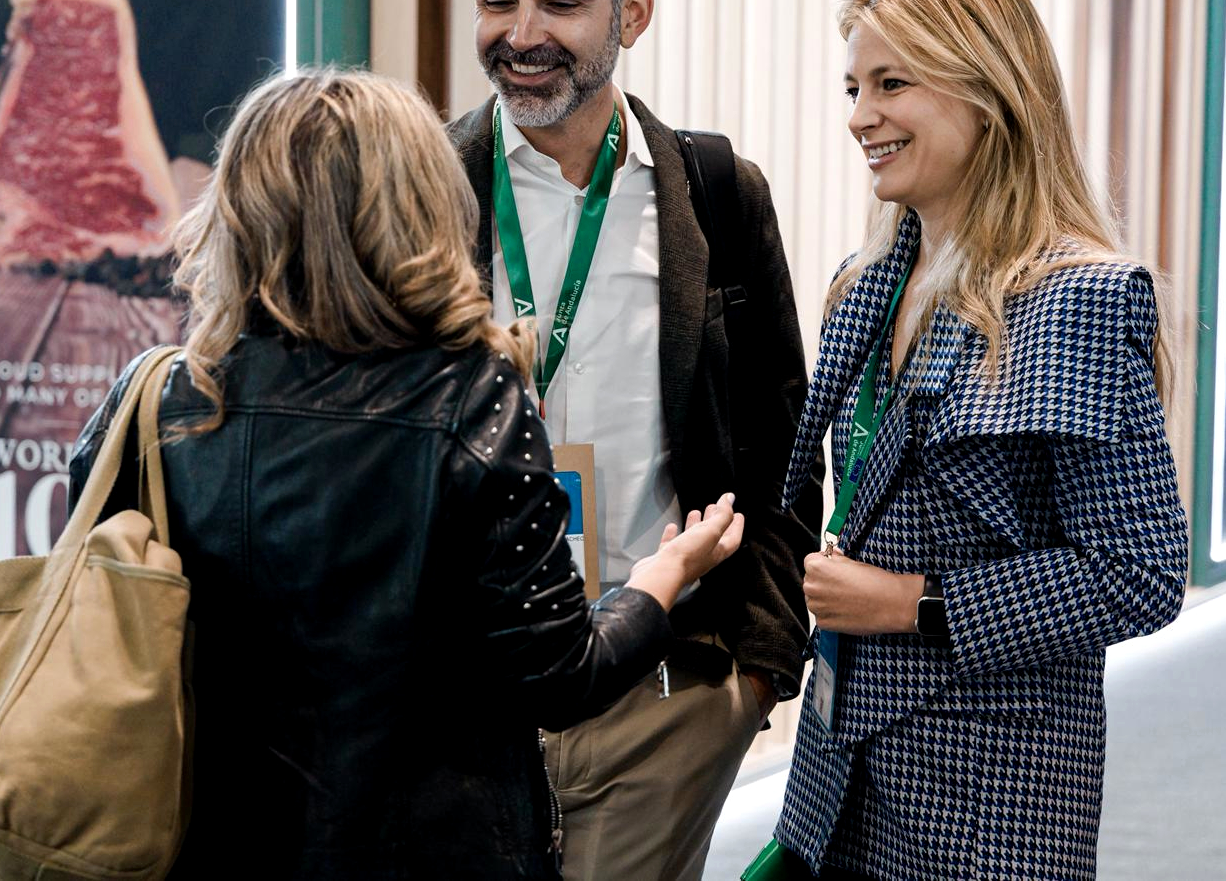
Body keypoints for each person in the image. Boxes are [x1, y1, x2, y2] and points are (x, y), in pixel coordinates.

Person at [66, 69, 748, 879]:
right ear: (418, 207)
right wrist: (661, 579)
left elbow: (108, 612)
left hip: (203, 841)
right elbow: (562, 676)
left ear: (236, 210)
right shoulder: (470, 397)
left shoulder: (158, 397)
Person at [772, 0, 1190, 879]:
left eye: (891, 84)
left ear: (989, 92)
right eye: (853, 88)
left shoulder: (1076, 296)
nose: (859, 118)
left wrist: (916, 604)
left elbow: (1140, 572)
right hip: (839, 776)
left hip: (986, 805)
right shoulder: (866, 284)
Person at [448, 0, 820, 880]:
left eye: (561, 2)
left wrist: (753, 670)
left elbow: (781, 440)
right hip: (465, 693)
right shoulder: (424, 187)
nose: (521, 34)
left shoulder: (712, 190)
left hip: (658, 692)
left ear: (635, 9)